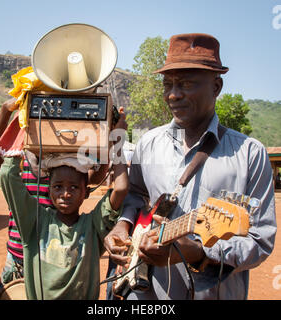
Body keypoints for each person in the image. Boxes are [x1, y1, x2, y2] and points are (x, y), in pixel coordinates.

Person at [104, 33, 277, 300]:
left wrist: (201, 251)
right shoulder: (147, 143)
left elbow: (259, 241)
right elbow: (135, 196)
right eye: (168, 84)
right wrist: (123, 225)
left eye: (185, 84)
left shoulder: (250, 154)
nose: (173, 95)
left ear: (216, 86)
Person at [0, 98, 117, 290]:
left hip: (59, 261)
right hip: (20, 260)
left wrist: (108, 135)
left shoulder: (71, 154)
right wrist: (6, 111)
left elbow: (94, 177)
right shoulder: (21, 155)